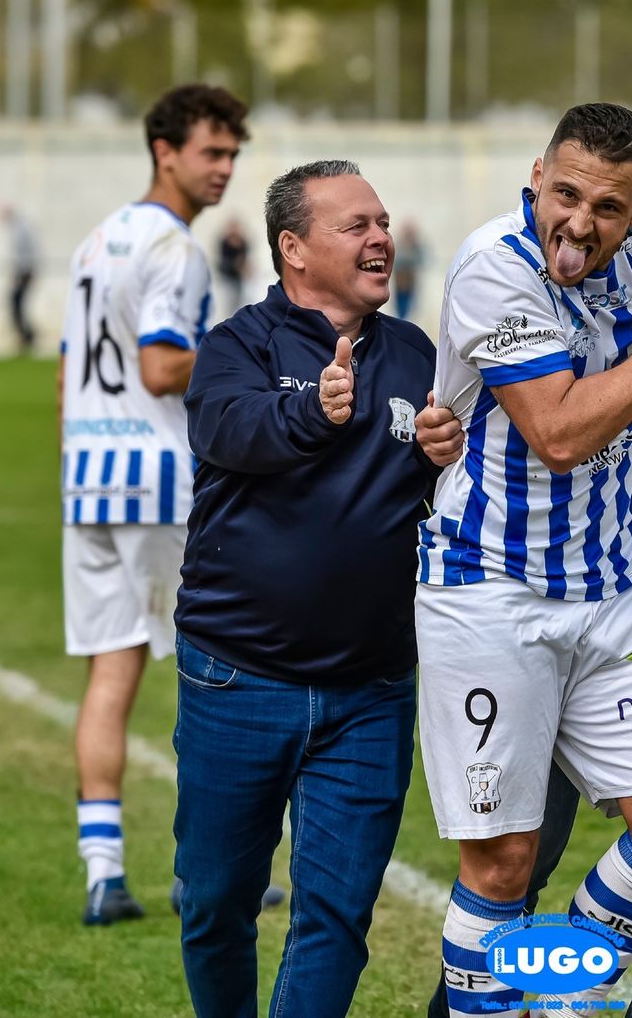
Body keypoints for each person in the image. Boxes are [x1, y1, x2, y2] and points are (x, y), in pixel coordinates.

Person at [414, 102, 632, 1017]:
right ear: (535, 179)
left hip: (616, 587)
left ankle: (555, 989)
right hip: (490, 589)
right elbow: (556, 433)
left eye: (607, 207)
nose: (580, 224)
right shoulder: (493, 268)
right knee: (504, 861)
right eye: (565, 195)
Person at [171, 160, 448, 1017]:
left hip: (370, 690)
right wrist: (309, 412)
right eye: (354, 226)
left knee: (335, 914)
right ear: (293, 249)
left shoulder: (414, 353)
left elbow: (434, 499)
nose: (379, 239)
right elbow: (225, 430)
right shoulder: (238, 344)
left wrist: (447, 452)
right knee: (216, 903)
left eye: (381, 221)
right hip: (236, 678)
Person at [57, 83, 248, 926]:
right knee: (217, 671)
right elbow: (162, 366)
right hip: (161, 478)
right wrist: (242, 349)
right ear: (163, 150)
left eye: (233, 154)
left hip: (88, 476)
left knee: (112, 670)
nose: (225, 170)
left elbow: (69, 375)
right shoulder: (175, 248)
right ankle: (208, 869)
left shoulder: (96, 240)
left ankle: (102, 870)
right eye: (211, 152)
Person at [1, 204, 38, 353]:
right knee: (17, 305)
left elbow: (24, 254)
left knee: (17, 304)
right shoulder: (19, 228)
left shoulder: (20, 229)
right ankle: (26, 336)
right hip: (24, 272)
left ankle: (28, 337)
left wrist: (21, 274)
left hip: (24, 272)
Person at [393, 221, 427, 322]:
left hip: (411, 283)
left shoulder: (416, 247)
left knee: (412, 309)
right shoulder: (399, 245)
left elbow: (421, 261)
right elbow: (397, 260)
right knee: (400, 308)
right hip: (400, 283)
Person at [215, 216, 250, 315]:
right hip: (227, 277)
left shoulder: (242, 242)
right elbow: (223, 261)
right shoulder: (224, 242)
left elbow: (245, 258)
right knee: (228, 302)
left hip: (238, 277)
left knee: (239, 301)